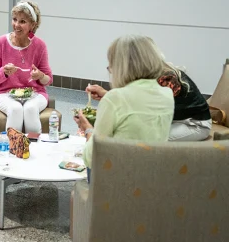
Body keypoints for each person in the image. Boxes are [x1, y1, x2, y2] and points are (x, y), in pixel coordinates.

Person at [74, 35, 174, 182]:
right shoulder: (167, 95)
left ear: (121, 67)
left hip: (118, 185)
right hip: (154, 181)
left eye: (111, 67)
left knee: (74, 194)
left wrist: (88, 129)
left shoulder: (114, 99)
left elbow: (92, 157)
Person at [0, 0, 52, 133]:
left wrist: (40, 75)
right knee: (15, 109)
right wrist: (4, 72)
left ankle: (34, 149)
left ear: (32, 25)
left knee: (30, 109)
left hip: (35, 93)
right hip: (3, 93)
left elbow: (48, 79)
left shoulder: (40, 46)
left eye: (22, 21)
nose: (16, 25)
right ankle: (13, 149)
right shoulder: (1, 43)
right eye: (15, 19)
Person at [157, 61, 212, 141]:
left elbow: (158, 110)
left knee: (153, 139)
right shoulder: (160, 72)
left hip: (195, 124)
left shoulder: (168, 78)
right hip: (178, 120)